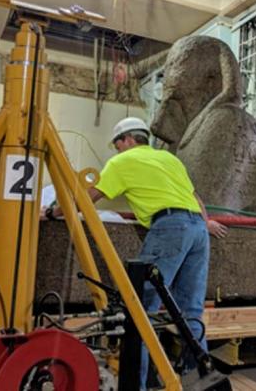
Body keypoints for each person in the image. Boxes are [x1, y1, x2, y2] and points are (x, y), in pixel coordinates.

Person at [89, 117, 227, 389]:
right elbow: (195, 198)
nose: (116, 151)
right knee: (190, 311)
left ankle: (136, 385)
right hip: (198, 230)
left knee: (140, 311)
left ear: (127, 140)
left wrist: (52, 211)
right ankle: (198, 380)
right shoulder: (169, 159)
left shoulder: (122, 162)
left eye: (117, 145)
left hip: (169, 228)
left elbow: (89, 196)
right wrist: (204, 222)